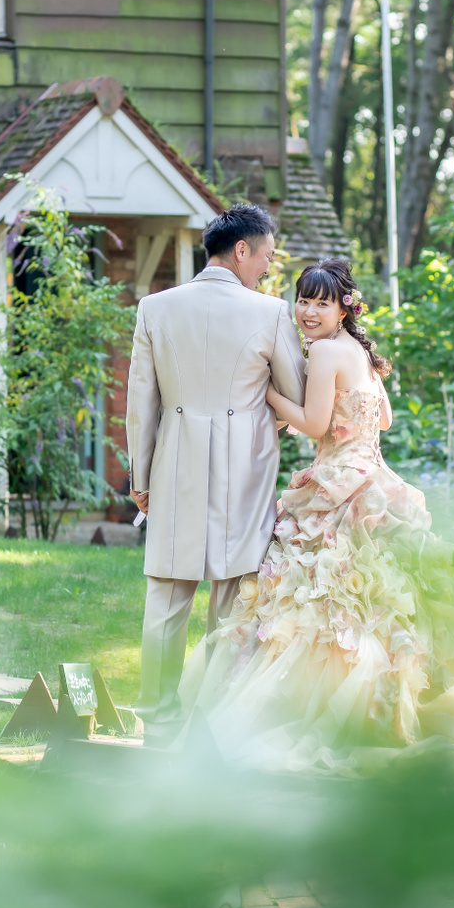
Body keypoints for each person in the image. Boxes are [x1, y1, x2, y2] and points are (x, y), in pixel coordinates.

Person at [177, 259, 454, 793]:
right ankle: (388, 707)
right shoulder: (362, 356)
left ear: (345, 306)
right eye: (302, 300)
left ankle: (318, 708)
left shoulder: (323, 352)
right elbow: (384, 419)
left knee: (322, 601)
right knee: (382, 605)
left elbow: (318, 425)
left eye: (321, 302)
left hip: (338, 488)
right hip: (376, 481)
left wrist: (269, 396)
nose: (307, 312)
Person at [125, 204, 307, 747]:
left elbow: (142, 402)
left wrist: (141, 474)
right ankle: (210, 719)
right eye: (266, 258)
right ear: (243, 250)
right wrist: (259, 416)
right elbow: (295, 394)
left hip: (174, 460)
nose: (268, 270)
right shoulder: (270, 312)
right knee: (232, 596)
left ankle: (157, 720)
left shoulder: (154, 308)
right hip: (244, 467)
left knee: (166, 596)